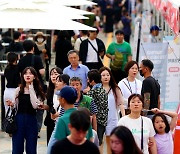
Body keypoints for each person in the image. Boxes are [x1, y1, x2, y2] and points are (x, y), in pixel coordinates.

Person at [6, 67, 45, 154]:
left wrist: (31, 88)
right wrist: (11, 104)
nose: (28, 75)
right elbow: (15, 107)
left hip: (31, 120)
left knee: (31, 149)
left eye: (30, 73)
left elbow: (35, 105)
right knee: (17, 149)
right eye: (26, 73)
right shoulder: (18, 90)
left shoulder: (37, 91)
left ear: (34, 76)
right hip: (19, 120)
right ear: (22, 76)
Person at [18, 39, 46, 137]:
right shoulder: (37, 58)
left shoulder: (21, 60)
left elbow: (19, 73)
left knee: (27, 109)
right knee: (39, 108)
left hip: (25, 87)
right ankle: (36, 129)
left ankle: (27, 128)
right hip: (37, 86)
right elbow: (42, 72)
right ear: (33, 48)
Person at [99, 66, 125, 154]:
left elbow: (121, 103)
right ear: (100, 77)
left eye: (107, 75)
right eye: (103, 75)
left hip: (112, 119)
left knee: (110, 141)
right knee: (99, 142)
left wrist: (124, 117)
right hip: (100, 120)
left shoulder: (115, 89)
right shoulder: (96, 89)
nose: (106, 77)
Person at [87, 69, 108, 147]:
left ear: (92, 81)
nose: (87, 80)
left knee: (93, 143)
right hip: (103, 121)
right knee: (99, 142)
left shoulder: (92, 92)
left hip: (95, 122)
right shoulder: (103, 90)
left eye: (88, 79)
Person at [43, 67, 63, 144]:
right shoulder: (49, 90)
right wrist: (45, 107)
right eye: (52, 74)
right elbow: (50, 106)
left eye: (56, 74)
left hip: (61, 120)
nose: (53, 76)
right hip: (51, 121)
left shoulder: (64, 90)